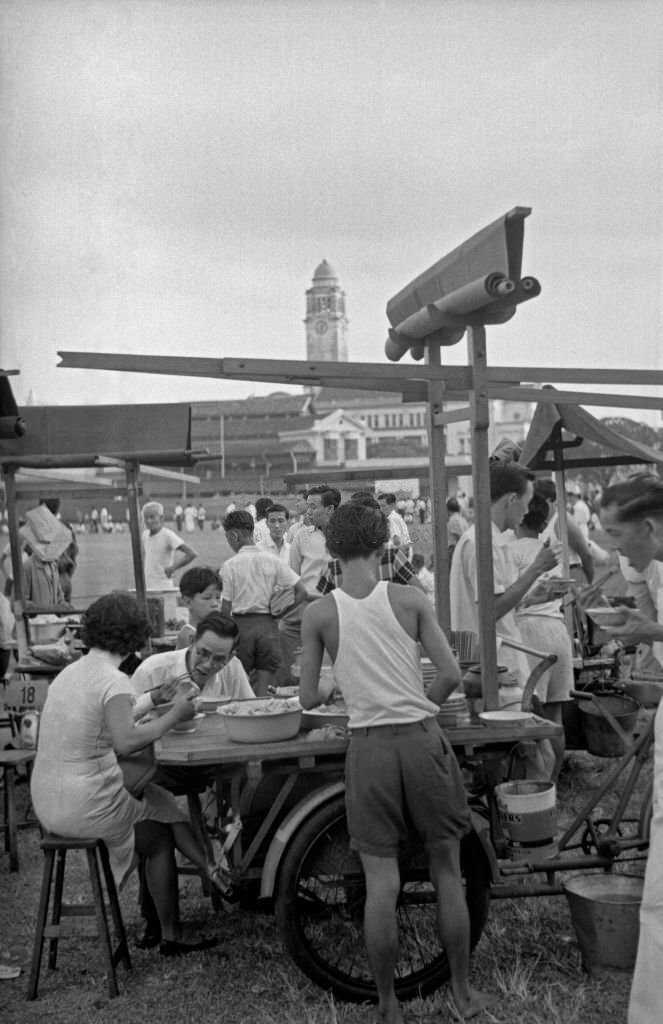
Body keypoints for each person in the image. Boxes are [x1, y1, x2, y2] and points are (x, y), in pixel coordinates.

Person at [299, 503, 493, 1024]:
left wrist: (341, 684)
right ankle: (462, 994)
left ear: (332, 551)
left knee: (380, 883)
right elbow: (452, 673)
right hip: (421, 739)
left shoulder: (318, 614)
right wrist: (423, 703)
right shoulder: (410, 598)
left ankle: (387, 1006)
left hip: (369, 747)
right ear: (385, 546)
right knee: (448, 872)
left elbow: (307, 698)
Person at [30, 592, 219, 957]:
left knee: (158, 800)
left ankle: (210, 872)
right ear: (134, 635)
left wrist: (152, 699)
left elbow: (107, 719)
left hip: (48, 799)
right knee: (159, 838)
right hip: (80, 805)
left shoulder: (73, 672)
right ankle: (171, 931)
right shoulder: (112, 680)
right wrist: (174, 715)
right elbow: (127, 740)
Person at [596, 475, 663, 1024]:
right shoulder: (653, 567)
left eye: (617, 534)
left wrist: (652, 633)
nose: (613, 545)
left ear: (648, 525)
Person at [450, 462, 560, 689]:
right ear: (511, 500)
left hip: (479, 655)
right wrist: (535, 569)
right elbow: (490, 611)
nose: (529, 511)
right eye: (527, 503)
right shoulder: (485, 542)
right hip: (494, 662)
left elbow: (490, 604)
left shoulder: (481, 537)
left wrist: (529, 598)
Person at [508, 493, 574, 779]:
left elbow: (509, 598)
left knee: (532, 715)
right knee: (555, 716)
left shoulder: (511, 550)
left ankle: (539, 784)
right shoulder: (552, 552)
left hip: (528, 631)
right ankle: (554, 783)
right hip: (557, 630)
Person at [220, 510, 306, 695]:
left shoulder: (230, 565)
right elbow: (302, 591)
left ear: (234, 535)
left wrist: (224, 635)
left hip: (241, 627)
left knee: (240, 686)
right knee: (264, 688)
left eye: (228, 538)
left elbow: (225, 608)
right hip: (268, 626)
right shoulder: (273, 560)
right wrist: (281, 614)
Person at [142, 501, 197, 590]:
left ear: (161, 518)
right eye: (146, 518)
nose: (149, 521)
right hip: (148, 584)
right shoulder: (145, 535)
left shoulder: (167, 535)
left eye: (152, 517)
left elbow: (191, 553)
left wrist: (173, 568)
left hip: (163, 585)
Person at [175, 566, 221, 650]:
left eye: (218, 597)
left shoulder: (215, 632)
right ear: (188, 601)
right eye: (207, 598)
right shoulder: (189, 636)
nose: (215, 604)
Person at [378, 492, 412, 557]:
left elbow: (396, 541)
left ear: (392, 505)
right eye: (379, 506)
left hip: (401, 554)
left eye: (383, 506)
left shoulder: (392, 519)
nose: (380, 509)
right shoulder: (393, 516)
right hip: (402, 552)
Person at [446, 497, 469, 562]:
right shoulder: (462, 519)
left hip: (455, 550)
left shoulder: (453, 520)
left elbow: (459, 537)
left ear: (448, 509)